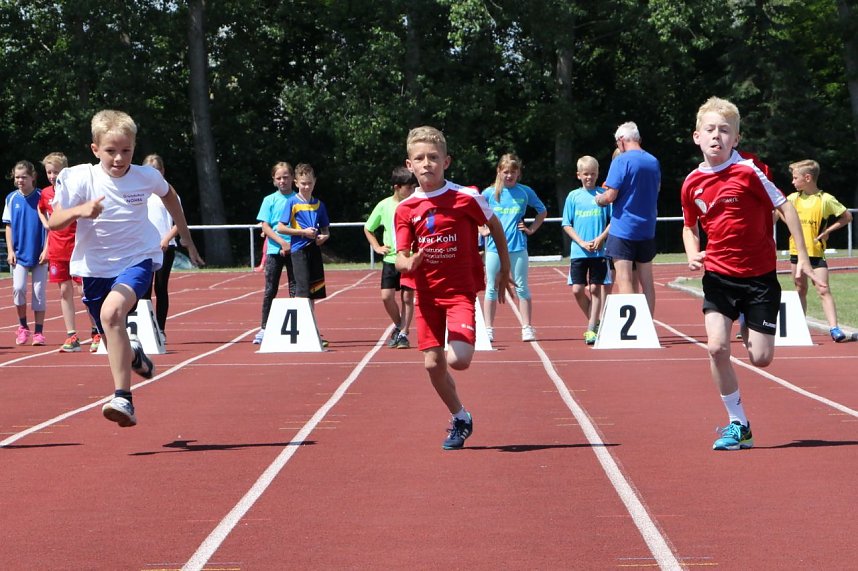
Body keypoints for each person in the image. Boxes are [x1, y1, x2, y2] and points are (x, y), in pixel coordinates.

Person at [49, 109, 204, 427]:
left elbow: (170, 196)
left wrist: (185, 235)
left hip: (137, 259)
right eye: (110, 151)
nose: (119, 159)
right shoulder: (80, 178)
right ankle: (133, 356)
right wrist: (82, 209)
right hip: (94, 267)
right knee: (110, 336)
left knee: (111, 315)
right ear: (95, 149)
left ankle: (123, 398)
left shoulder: (145, 176)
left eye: (126, 151)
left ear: (134, 148)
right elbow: (54, 221)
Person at [681, 96, 815, 451]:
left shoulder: (749, 172)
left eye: (725, 131)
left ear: (736, 138)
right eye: (710, 130)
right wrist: (694, 254)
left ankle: (746, 319)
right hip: (719, 277)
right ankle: (738, 424)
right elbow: (689, 226)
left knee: (761, 358)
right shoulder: (692, 183)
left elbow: (785, 206)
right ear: (697, 136)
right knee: (716, 347)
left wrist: (801, 257)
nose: (717, 136)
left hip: (758, 277)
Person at [394, 126, 512, 450]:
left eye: (433, 157)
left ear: (446, 161)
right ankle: (460, 417)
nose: (427, 163)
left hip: (459, 292)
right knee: (432, 365)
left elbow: (494, 226)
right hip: (427, 296)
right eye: (420, 158)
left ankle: (456, 362)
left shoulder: (466, 196)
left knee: (458, 360)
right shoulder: (405, 209)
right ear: (410, 164)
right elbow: (400, 259)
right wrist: (410, 263)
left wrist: (504, 266)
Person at [781, 159, 853, 342]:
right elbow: (777, 211)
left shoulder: (825, 199)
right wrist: (788, 223)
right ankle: (799, 326)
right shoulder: (792, 199)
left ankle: (834, 328)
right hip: (796, 252)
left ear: (808, 178)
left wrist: (828, 231)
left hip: (816, 253)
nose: (792, 181)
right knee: (800, 288)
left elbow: (847, 217)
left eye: (795, 178)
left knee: (823, 289)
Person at [594, 121, 660, 315]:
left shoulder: (621, 161)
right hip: (647, 227)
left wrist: (599, 200)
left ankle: (634, 328)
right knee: (647, 281)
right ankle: (648, 324)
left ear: (621, 140)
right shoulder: (653, 161)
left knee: (624, 279)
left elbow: (610, 195)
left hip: (624, 228)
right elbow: (656, 189)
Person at [37, 152, 101, 352]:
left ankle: (96, 331)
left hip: (77, 248)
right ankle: (71, 335)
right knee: (64, 292)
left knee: (85, 291)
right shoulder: (46, 193)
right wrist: (47, 231)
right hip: (57, 249)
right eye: (49, 172)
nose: (52, 176)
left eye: (56, 171)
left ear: (64, 171)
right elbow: (41, 209)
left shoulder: (75, 190)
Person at [480, 153, 546, 342]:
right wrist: (481, 228)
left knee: (522, 286)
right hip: (493, 248)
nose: (509, 175)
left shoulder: (525, 192)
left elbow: (542, 211)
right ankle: (488, 328)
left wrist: (532, 228)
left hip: (517, 247)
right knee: (491, 287)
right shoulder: (489, 193)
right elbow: (473, 213)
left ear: (519, 173)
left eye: (513, 172)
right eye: (506, 171)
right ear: (499, 172)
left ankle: (526, 327)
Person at [276, 163, 330, 346]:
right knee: (302, 291)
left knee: (314, 292)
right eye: (303, 183)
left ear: (314, 182)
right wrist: (302, 232)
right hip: (299, 250)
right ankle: (301, 333)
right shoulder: (292, 202)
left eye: (310, 183)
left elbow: (325, 229)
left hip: (314, 250)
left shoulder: (319, 205)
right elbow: (281, 227)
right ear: (297, 183)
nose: (307, 187)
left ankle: (312, 330)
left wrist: (324, 236)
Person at [364, 166, 417, 349]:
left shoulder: (415, 204)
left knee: (408, 298)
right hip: (391, 259)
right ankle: (399, 324)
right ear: (396, 186)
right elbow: (368, 228)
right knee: (387, 296)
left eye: (413, 187)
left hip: (409, 259)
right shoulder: (384, 205)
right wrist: (377, 246)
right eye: (408, 187)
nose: (411, 191)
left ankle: (403, 333)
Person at [562, 155, 612, 345]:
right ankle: (597, 320)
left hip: (599, 251)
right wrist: (581, 242)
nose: (589, 177)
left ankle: (591, 329)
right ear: (579, 175)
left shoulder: (604, 195)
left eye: (593, 174)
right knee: (577, 289)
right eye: (586, 174)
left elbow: (613, 221)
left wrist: (600, 238)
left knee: (595, 288)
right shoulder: (573, 196)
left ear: (598, 174)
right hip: (579, 251)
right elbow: (567, 224)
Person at [3, 160, 48, 346]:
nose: (20, 180)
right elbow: (9, 227)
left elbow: (50, 227)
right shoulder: (11, 198)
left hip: (40, 254)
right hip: (20, 254)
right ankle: (23, 327)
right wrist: (10, 251)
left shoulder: (41, 197)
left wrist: (47, 249)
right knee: (19, 289)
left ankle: (38, 332)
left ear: (33, 177)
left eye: (24, 177)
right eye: (17, 177)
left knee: (39, 292)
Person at [252, 162, 296, 344]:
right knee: (271, 288)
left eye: (286, 177)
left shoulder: (299, 199)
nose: (282, 181)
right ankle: (264, 327)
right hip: (274, 250)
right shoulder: (269, 200)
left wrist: (291, 244)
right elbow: (265, 226)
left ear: (293, 178)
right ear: (274, 180)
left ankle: (300, 324)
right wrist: (281, 242)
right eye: (279, 178)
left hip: (296, 249)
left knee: (296, 288)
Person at [141, 154, 178, 341]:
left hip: (166, 247)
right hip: (145, 249)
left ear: (162, 171)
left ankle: (160, 329)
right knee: (143, 289)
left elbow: (179, 222)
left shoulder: (169, 194)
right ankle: (146, 327)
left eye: (156, 170)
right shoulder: (140, 195)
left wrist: (166, 239)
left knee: (161, 288)